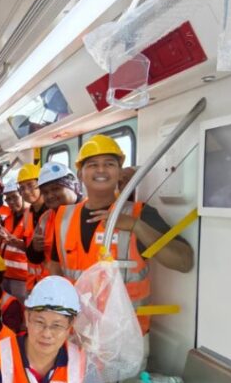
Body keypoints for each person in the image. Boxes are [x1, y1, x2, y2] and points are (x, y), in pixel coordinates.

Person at [49, 135, 194, 338]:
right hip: (76, 331)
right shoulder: (63, 216)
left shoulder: (140, 213)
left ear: (120, 173)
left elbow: (184, 261)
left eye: (109, 164)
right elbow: (55, 266)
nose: (101, 170)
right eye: (92, 165)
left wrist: (136, 226)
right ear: (80, 174)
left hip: (125, 337)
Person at [24, 162, 80, 277]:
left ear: (73, 186)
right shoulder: (45, 218)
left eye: (56, 189)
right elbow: (34, 258)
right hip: (53, 283)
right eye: (45, 192)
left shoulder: (88, 212)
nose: (50, 196)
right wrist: (35, 248)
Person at [0, 179, 30, 302]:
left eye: (14, 197)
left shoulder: (31, 216)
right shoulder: (8, 218)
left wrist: (16, 242)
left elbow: (34, 248)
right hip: (5, 274)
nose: (11, 202)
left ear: (22, 195)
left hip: (22, 278)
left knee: (21, 310)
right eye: (8, 199)